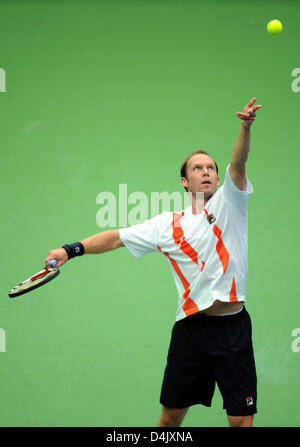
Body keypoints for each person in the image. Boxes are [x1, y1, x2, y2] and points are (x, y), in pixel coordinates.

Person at [45, 97, 262, 428]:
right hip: (190, 330)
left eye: (211, 168)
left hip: (233, 329)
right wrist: (70, 249)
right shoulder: (167, 225)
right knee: (170, 420)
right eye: (197, 168)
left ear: (218, 179)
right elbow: (117, 237)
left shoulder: (231, 203)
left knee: (241, 422)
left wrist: (245, 128)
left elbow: (239, 163)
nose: (206, 172)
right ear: (184, 182)